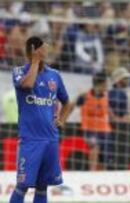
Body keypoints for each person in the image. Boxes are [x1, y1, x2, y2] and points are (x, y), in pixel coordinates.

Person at [9, 36, 72, 203]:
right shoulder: (19, 72)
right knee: (22, 186)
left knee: (43, 186)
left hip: (50, 139)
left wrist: (62, 119)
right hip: (30, 139)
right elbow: (28, 85)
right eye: (43, 49)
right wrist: (35, 62)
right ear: (33, 50)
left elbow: (67, 102)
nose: (46, 52)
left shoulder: (55, 75)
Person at [71, 71, 113, 170]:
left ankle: (101, 176)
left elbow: (109, 112)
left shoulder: (106, 96)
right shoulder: (85, 96)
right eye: (106, 83)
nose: (108, 85)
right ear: (101, 83)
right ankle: (92, 172)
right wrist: (62, 120)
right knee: (95, 146)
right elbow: (70, 106)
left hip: (105, 130)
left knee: (105, 156)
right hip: (89, 129)